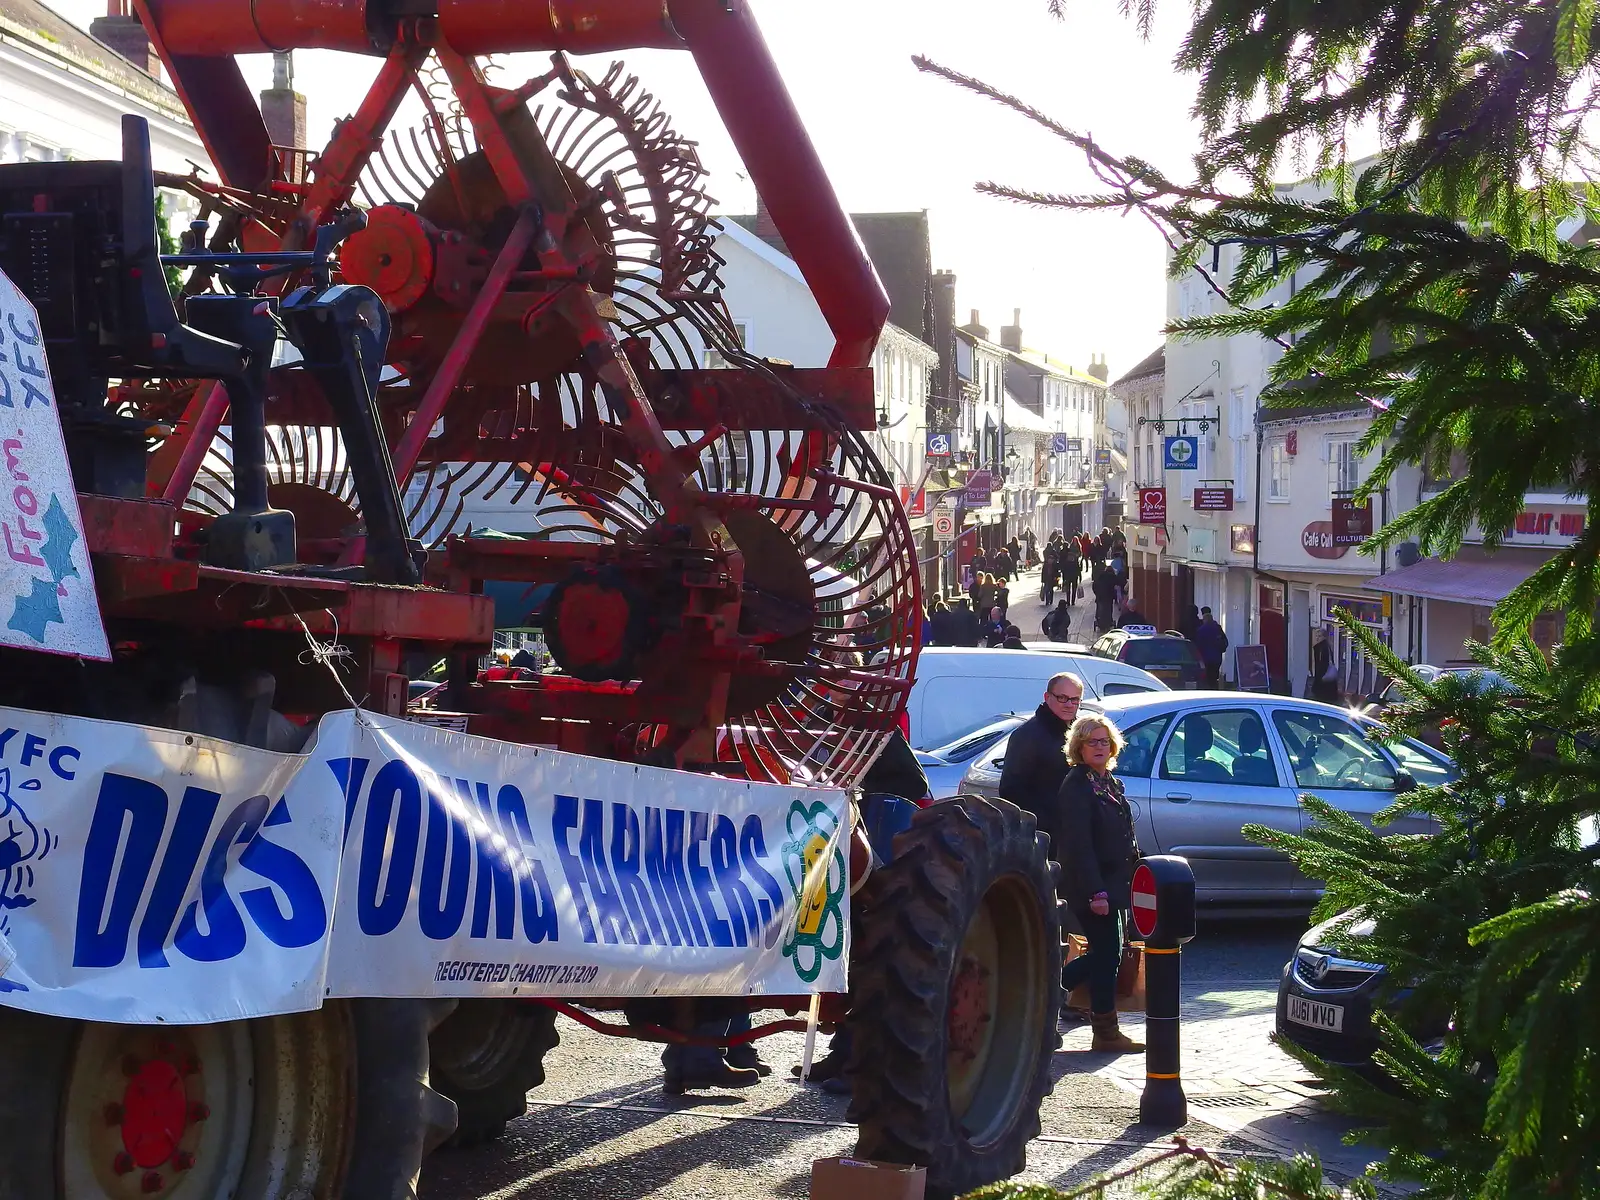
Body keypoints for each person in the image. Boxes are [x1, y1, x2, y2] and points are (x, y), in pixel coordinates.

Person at [1057, 713, 1145, 1052]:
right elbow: (1078, 846)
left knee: (1110, 955)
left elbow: (1122, 834)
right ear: (1078, 746)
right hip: (1093, 887)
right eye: (1091, 741)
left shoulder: (1108, 781)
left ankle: (1103, 1029)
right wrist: (1096, 891)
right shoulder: (1077, 785)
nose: (1098, 747)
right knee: (1107, 954)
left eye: (1104, 741)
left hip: (1115, 884)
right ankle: (1052, 993)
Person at [997, 672, 1084, 852]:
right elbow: (1011, 790)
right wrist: (1048, 822)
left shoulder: (1079, 734)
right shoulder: (1028, 735)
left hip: (1072, 835)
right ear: (1047, 697)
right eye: (1062, 698)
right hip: (1041, 840)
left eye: (1075, 700)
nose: (1069, 704)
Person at [1195, 606, 1229, 688]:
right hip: (1217, 658)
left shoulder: (1201, 630)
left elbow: (1198, 645)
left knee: (1207, 679)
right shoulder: (1218, 628)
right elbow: (1225, 642)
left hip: (1205, 658)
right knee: (1214, 678)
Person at [1310, 626, 1341, 703]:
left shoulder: (1322, 648)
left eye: (1319, 636)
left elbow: (1322, 665)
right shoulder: (1323, 646)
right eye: (1316, 636)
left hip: (1324, 685)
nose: (1317, 638)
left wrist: (1317, 683)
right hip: (1326, 685)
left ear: (1324, 637)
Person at [1092, 567, 1116, 634]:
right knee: (1108, 610)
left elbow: (1094, 586)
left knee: (1100, 609)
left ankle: (1100, 622)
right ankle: (1108, 622)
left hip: (1100, 598)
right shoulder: (1111, 577)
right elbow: (1118, 582)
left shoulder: (1099, 577)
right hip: (1108, 598)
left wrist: (1097, 594)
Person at [1062, 538, 1081, 605]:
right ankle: (1070, 601)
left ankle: (1071, 601)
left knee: (1072, 590)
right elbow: (1078, 570)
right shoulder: (1072, 563)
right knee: (1071, 589)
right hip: (1072, 577)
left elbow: (1078, 570)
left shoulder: (1069, 563)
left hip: (1071, 577)